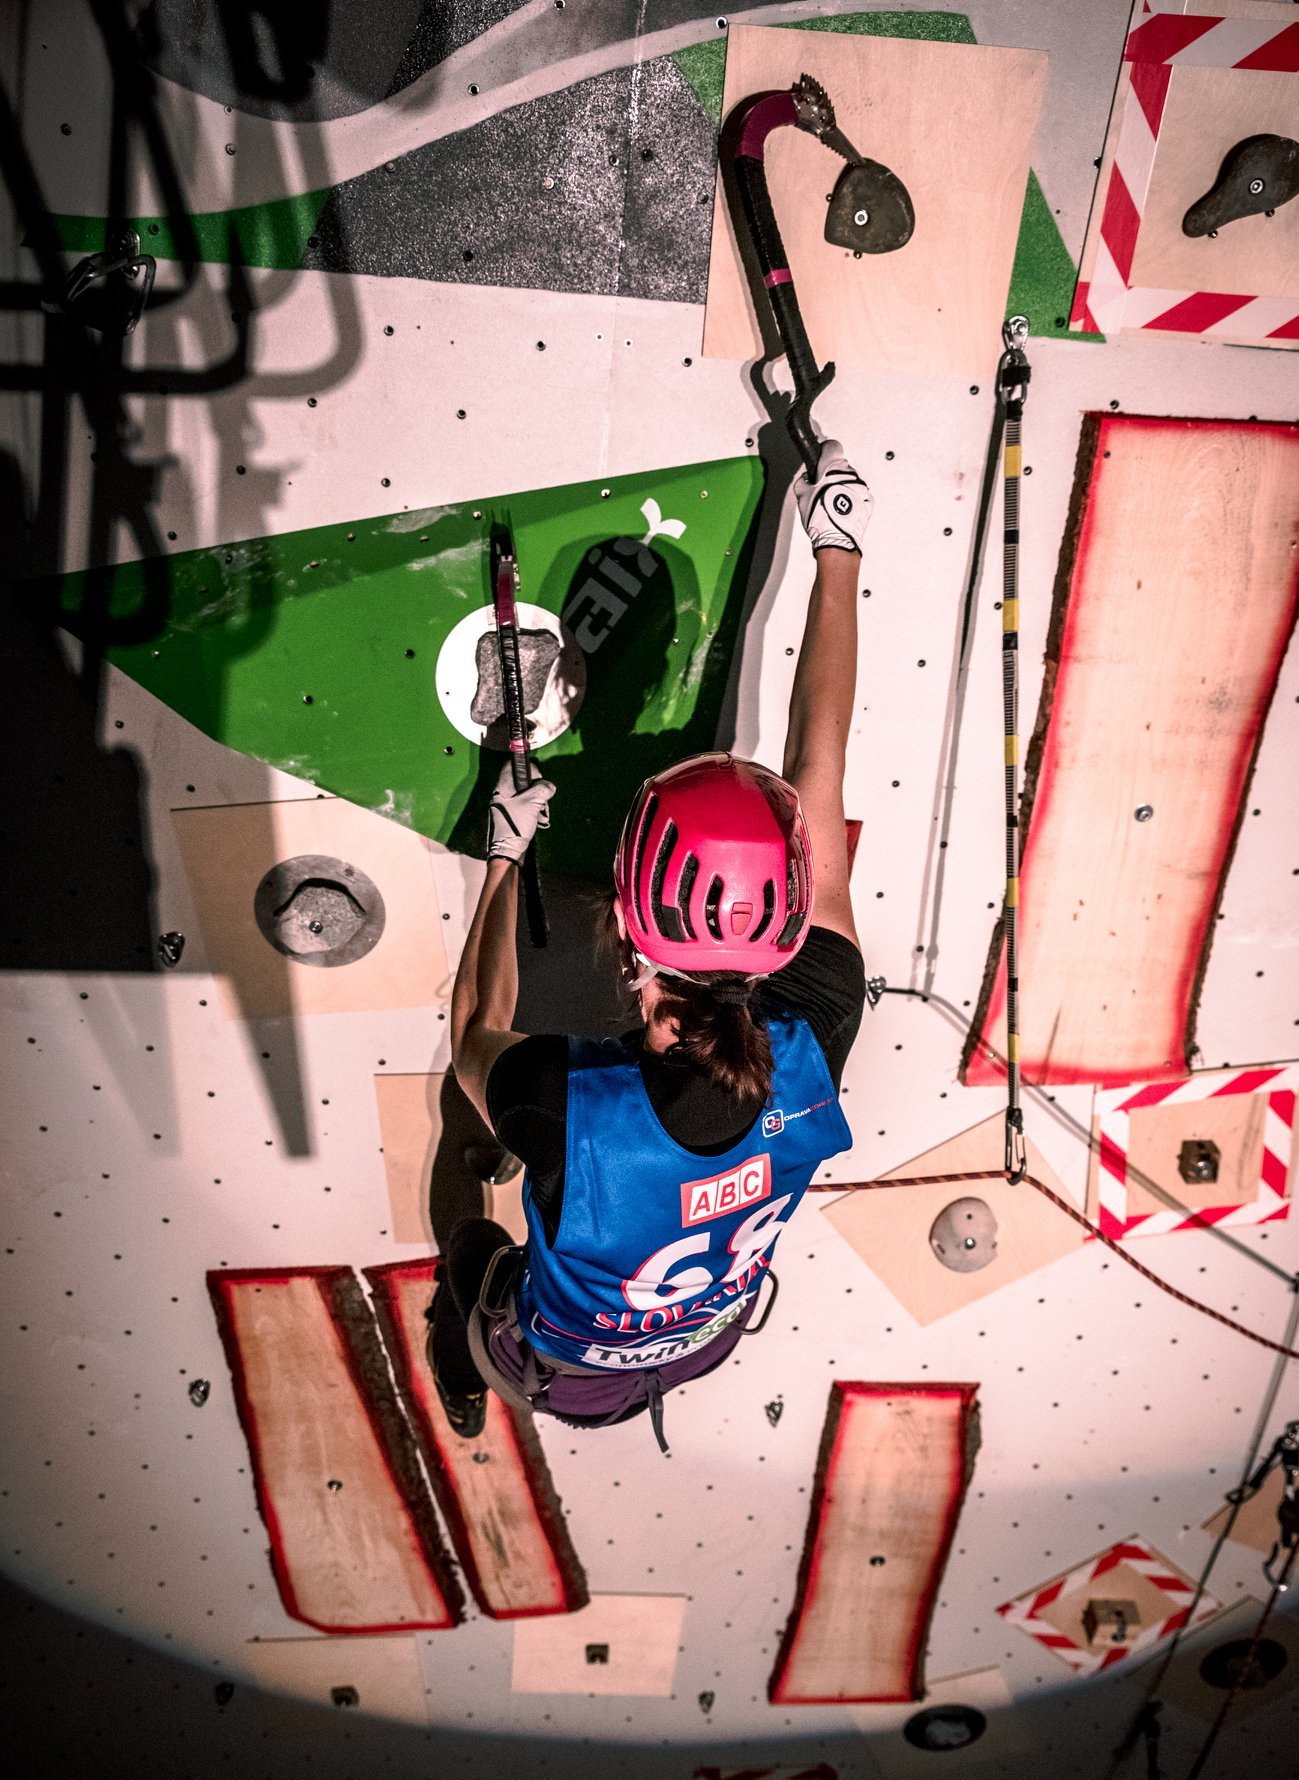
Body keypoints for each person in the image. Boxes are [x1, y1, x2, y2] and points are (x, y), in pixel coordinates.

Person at [429, 441, 872, 1453]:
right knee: (503, 1126)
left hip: (564, 1360)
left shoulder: (576, 1107)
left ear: (632, 941)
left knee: (472, 1239)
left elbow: (473, 1025)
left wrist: (839, 542)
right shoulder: (810, 1030)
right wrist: (507, 847)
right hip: (698, 1332)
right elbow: (824, 760)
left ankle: (459, 1363)